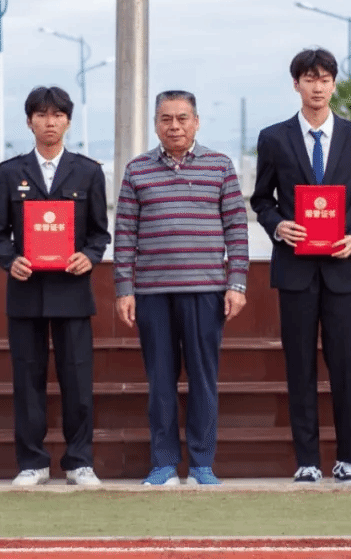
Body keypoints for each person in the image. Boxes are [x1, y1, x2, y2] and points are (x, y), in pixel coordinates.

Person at [251, 48, 351, 483]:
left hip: (344, 271)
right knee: (300, 366)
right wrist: (277, 225)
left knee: (347, 366)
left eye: (325, 79)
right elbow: (261, 199)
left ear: (334, 84)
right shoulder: (274, 138)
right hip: (296, 271)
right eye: (309, 79)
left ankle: (349, 459)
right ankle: (306, 460)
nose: (317, 87)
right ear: (296, 84)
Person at [114, 90, 249, 486]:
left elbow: (236, 227)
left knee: (204, 379)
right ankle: (164, 463)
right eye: (166, 119)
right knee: (160, 381)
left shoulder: (219, 166)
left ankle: (202, 463)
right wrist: (124, 288)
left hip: (206, 291)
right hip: (152, 293)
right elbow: (125, 233)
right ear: (156, 124)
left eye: (182, 118)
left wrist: (237, 282)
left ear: (196, 122)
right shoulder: (137, 170)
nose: (175, 126)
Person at [0, 86, 110, 486]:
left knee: (78, 381)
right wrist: (11, 260)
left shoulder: (88, 171)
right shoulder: (10, 172)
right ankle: (32, 462)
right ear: (29, 122)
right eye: (41, 115)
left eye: (57, 115)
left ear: (68, 121)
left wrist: (89, 256)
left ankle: (79, 461)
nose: (49, 122)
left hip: (72, 292)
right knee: (28, 381)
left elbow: (100, 233)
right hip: (27, 293)